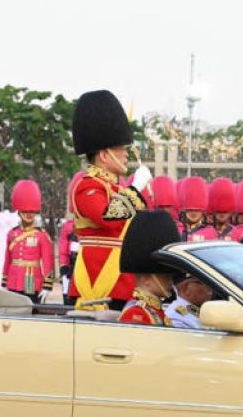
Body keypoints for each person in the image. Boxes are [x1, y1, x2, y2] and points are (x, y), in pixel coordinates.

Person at [69, 90, 151, 311]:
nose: (126, 154)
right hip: (98, 281)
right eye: (121, 149)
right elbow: (109, 217)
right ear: (104, 155)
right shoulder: (87, 186)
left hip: (122, 281)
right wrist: (136, 187)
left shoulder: (117, 188)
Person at [118, 210, 181, 325]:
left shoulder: (154, 309)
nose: (171, 282)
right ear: (146, 279)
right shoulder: (138, 314)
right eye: (166, 276)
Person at [3, 180, 53, 304]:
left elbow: (48, 262)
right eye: (25, 211)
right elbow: (7, 260)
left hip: (32, 281)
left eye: (32, 211)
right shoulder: (12, 234)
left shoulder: (41, 235)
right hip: (14, 280)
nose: (29, 214)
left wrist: (47, 285)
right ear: (19, 211)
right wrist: (5, 281)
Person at [179, 176, 217, 242]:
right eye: (190, 209)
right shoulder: (178, 229)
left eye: (197, 210)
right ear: (184, 210)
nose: (193, 213)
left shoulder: (209, 232)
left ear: (202, 211)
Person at [58, 216, 78, 306]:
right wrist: (64, 268)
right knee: (68, 298)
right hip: (71, 267)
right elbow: (63, 250)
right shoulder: (68, 226)